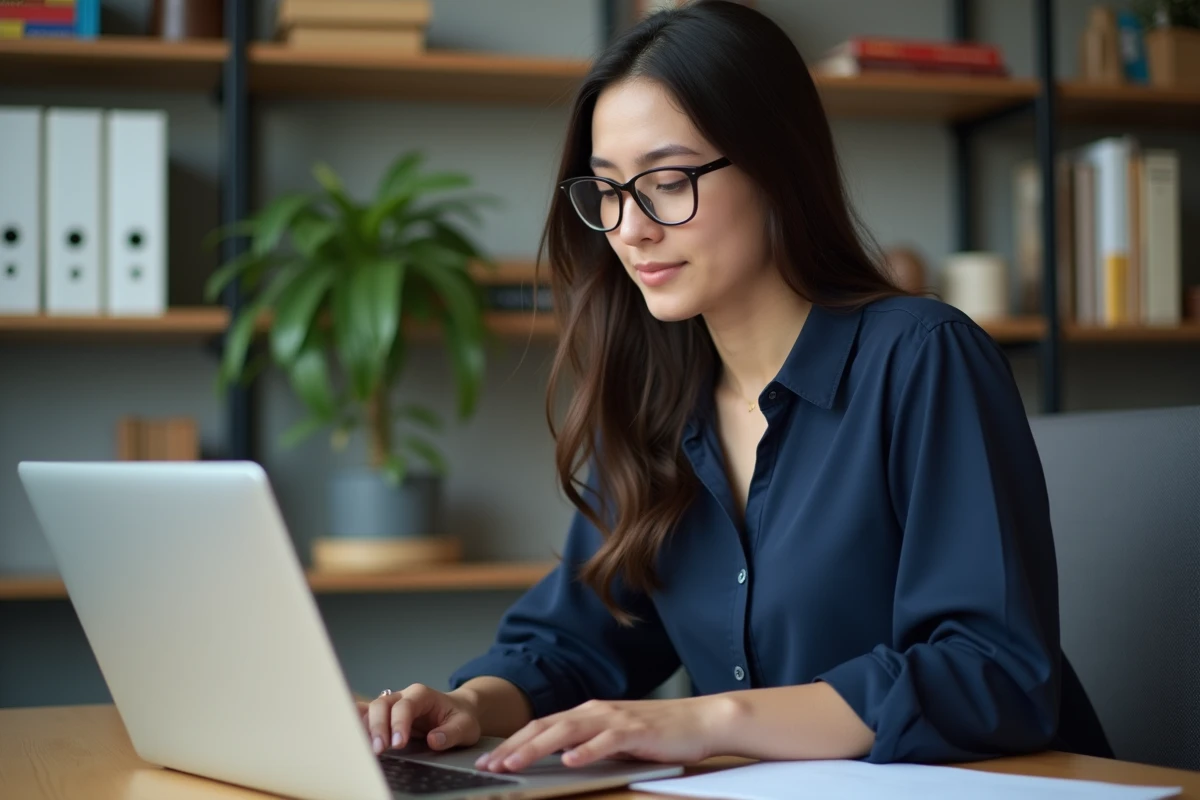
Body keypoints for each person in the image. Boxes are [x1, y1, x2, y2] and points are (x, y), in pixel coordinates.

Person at [360, 0, 1112, 773]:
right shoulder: (662, 403)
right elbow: (574, 640)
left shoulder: (922, 358)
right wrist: (469, 706)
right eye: (610, 189)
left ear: (777, 166)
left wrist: (706, 721)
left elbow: (993, 671)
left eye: (667, 180)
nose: (632, 228)